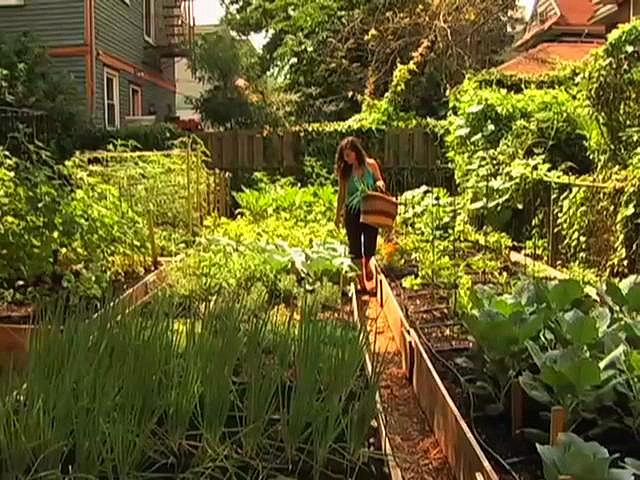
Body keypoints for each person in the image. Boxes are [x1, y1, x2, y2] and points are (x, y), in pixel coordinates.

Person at [334, 136, 385, 292]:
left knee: (370, 244)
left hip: (370, 209)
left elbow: (379, 180)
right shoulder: (345, 171)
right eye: (344, 155)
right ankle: (362, 285)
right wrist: (337, 216)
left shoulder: (371, 165)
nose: (346, 158)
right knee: (355, 247)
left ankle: (368, 262)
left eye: (348, 154)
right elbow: (342, 195)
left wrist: (379, 184)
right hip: (352, 211)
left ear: (356, 152)